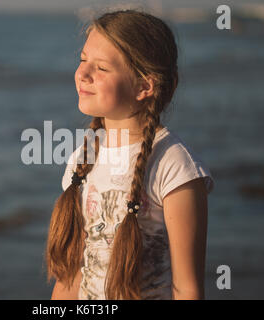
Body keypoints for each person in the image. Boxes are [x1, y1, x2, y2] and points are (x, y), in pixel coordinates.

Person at [45, 9, 215, 300]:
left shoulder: (174, 165)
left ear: (144, 86)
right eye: (83, 60)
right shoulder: (81, 160)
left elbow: (187, 289)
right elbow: (70, 280)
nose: (82, 74)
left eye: (101, 68)